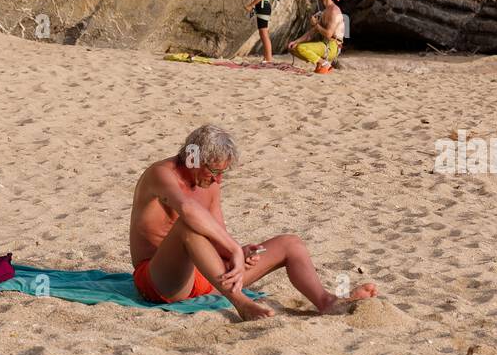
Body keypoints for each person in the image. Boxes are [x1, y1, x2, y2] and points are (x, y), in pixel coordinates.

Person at [129, 123, 376, 321]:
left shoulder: (211, 183)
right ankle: (239, 302)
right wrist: (234, 250)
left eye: (222, 172)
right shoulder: (161, 174)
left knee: (291, 243)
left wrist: (237, 253)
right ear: (194, 159)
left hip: (206, 277)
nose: (217, 179)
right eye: (214, 171)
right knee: (188, 225)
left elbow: (217, 234)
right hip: (160, 281)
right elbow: (188, 209)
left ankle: (327, 302)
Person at [289, 0, 345, 68]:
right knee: (293, 48)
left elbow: (328, 34)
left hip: (332, 47)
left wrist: (316, 24)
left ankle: (323, 63)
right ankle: (323, 62)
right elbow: (312, 33)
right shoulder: (325, 11)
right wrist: (296, 41)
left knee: (301, 48)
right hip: (324, 44)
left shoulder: (334, 11)